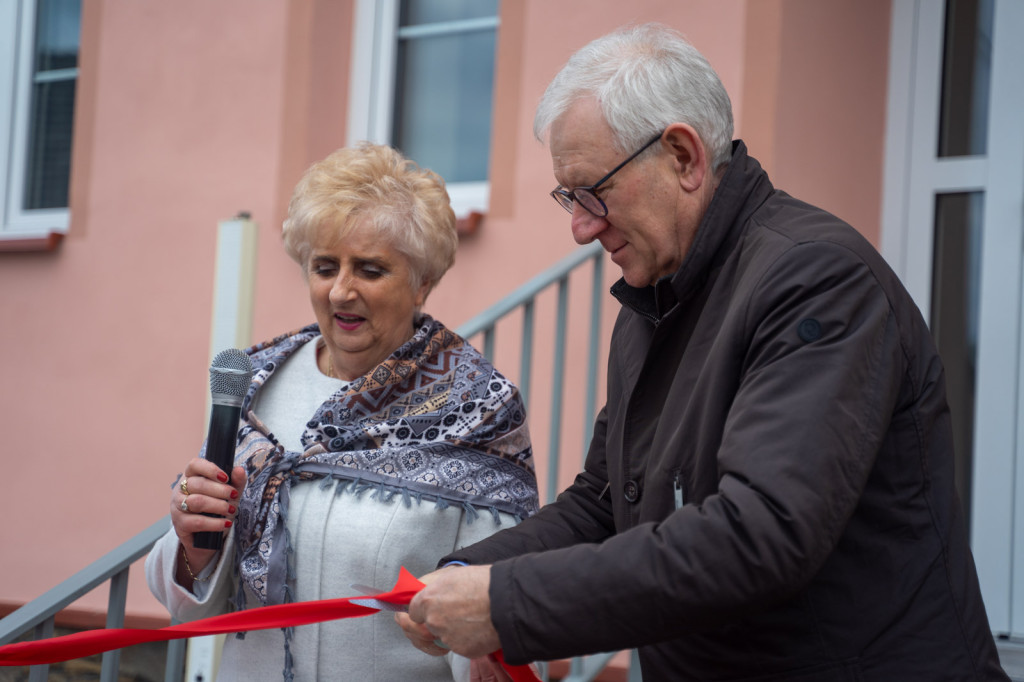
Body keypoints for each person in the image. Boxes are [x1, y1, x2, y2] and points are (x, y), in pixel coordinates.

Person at [396, 23, 1010, 681]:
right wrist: (471, 575)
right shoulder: (656, 293)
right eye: (567, 197)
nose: (580, 227)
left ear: (683, 156)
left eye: (591, 191)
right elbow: (605, 504)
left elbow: (759, 535)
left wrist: (510, 605)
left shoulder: (818, 282)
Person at [145, 142, 539, 682]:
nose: (340, 291)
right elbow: (190, 607)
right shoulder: (254, 386)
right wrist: (192, 547)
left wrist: (489, 648)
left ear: (423, 281)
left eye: (371, 270)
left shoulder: (478, 406)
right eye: (324, 267)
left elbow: (495, 603)